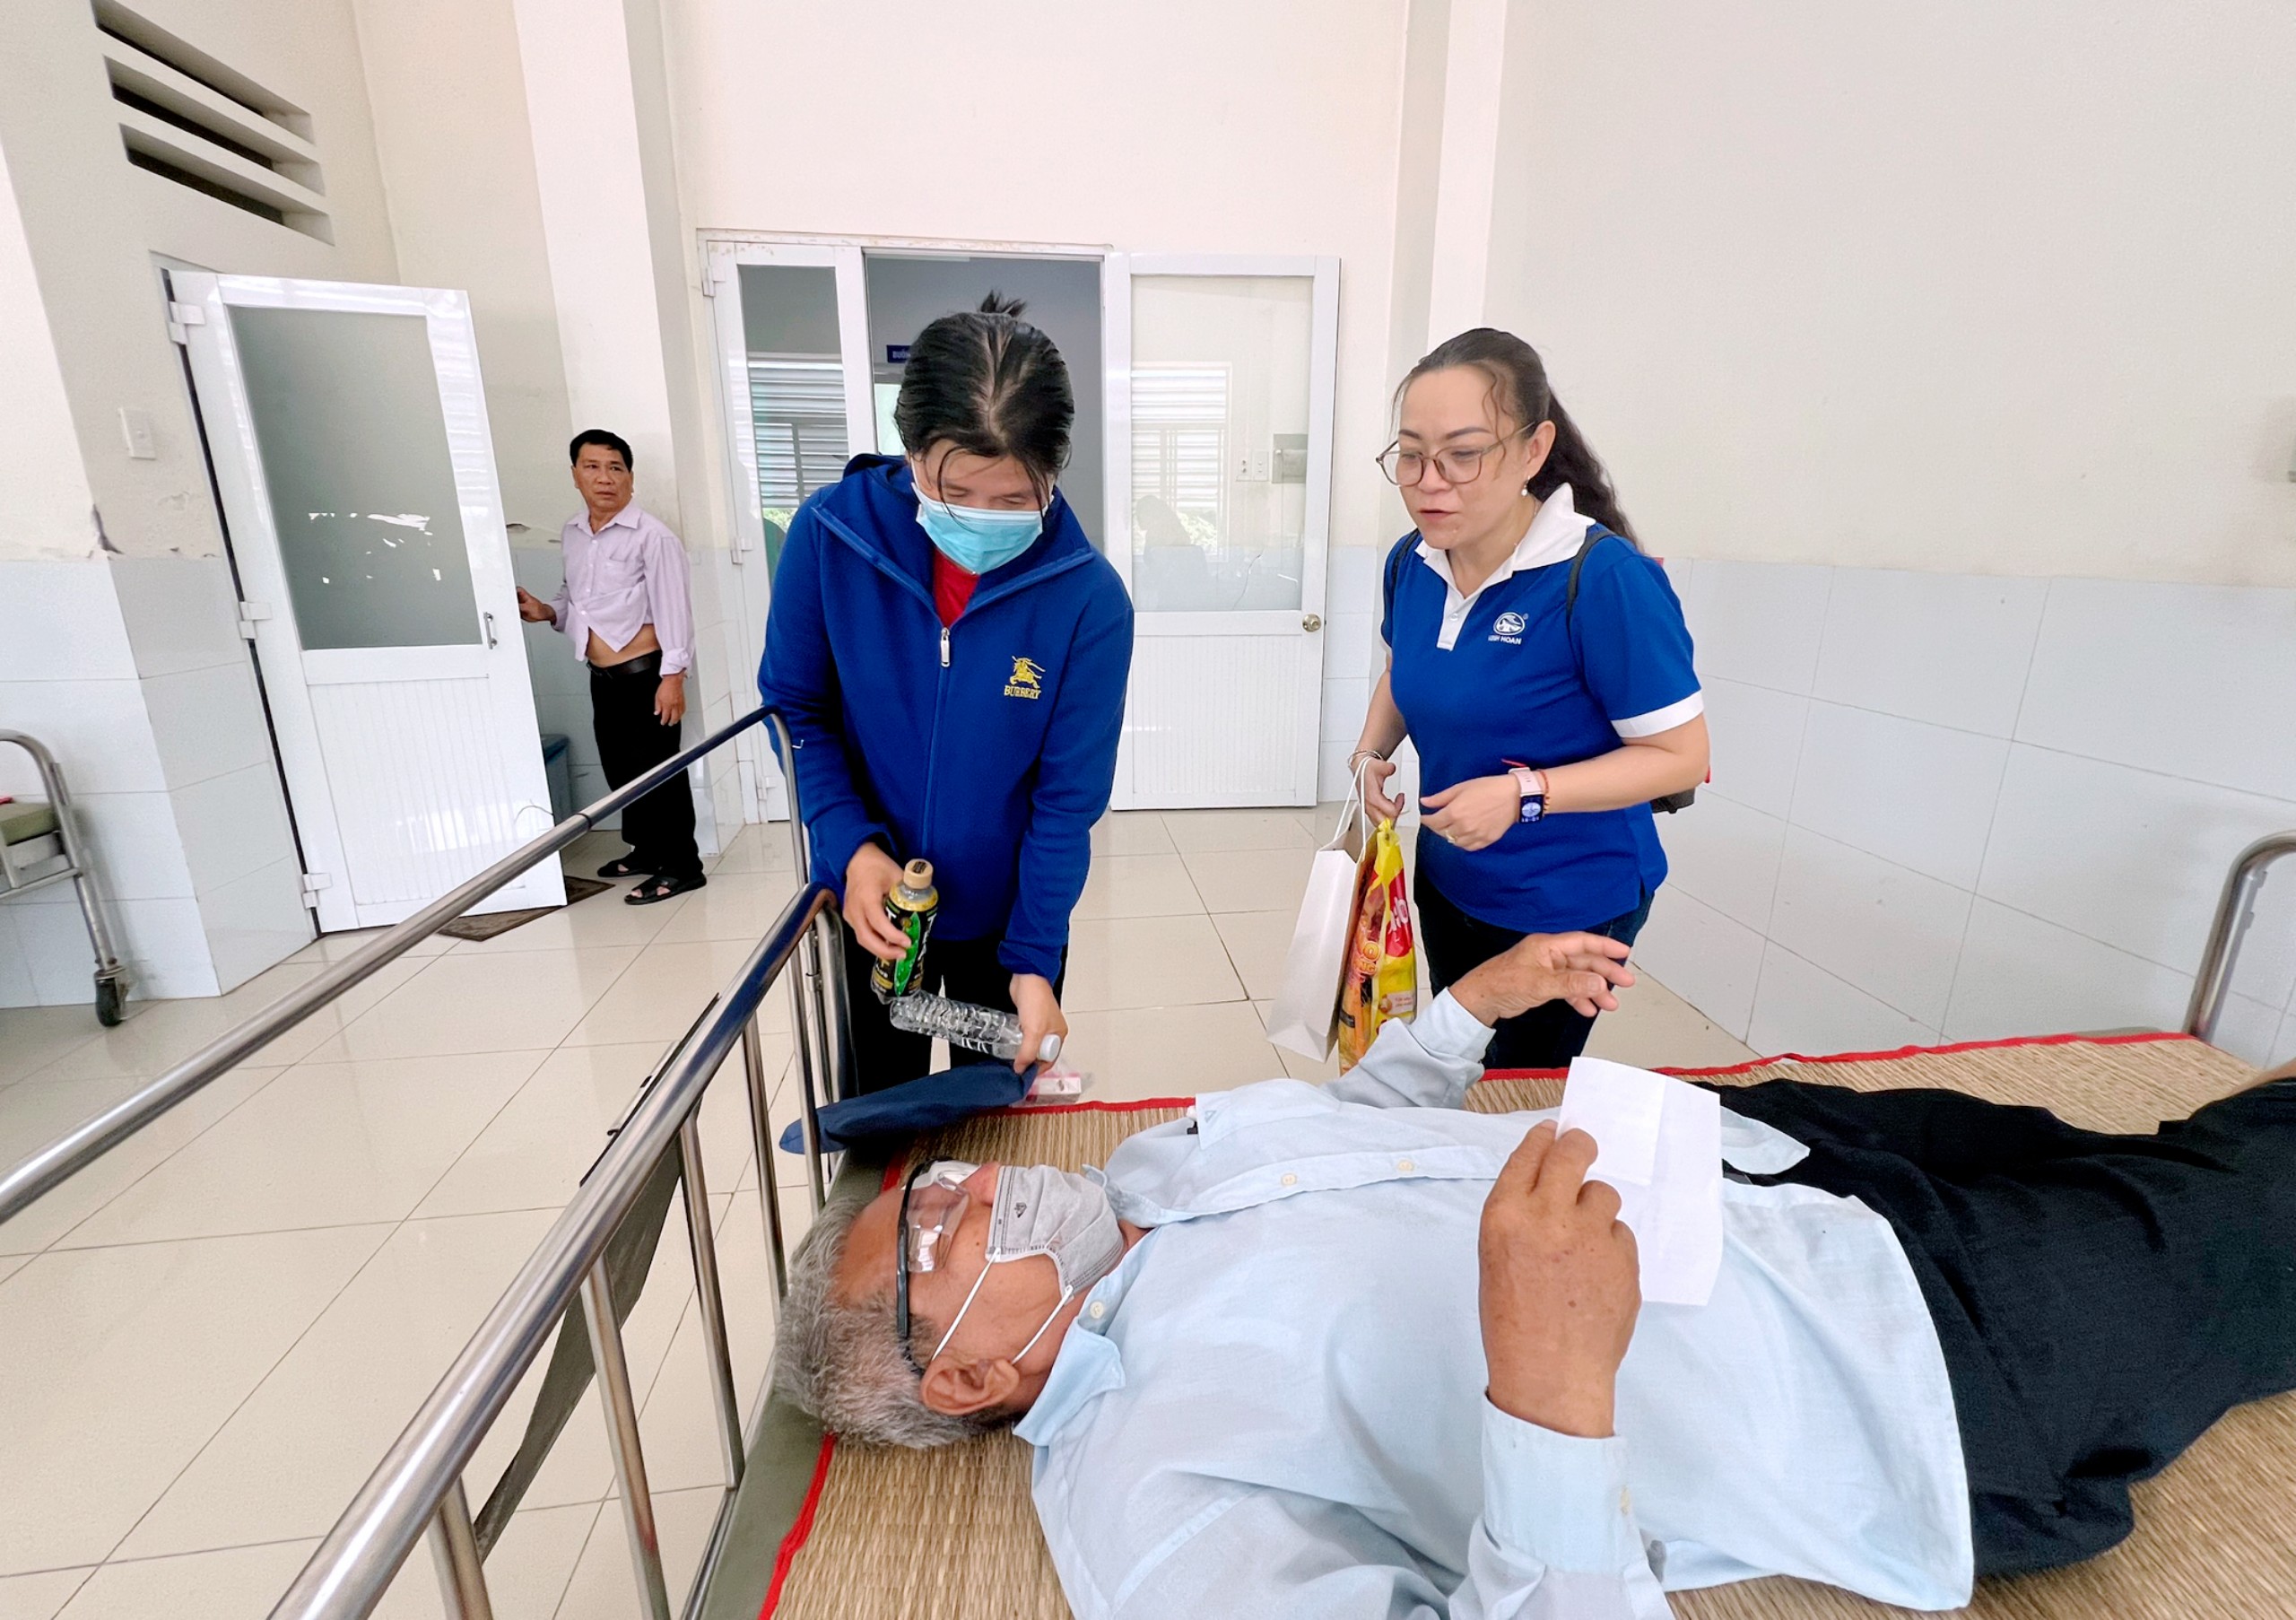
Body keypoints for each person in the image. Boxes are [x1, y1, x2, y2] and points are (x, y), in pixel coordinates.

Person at [773, 936, 2296, 1619]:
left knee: (2140, 1150)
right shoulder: (1151, 1502)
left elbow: (1348, 1127)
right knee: (2245, 1214)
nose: (972, 1182)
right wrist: (1553, 1390)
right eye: (936, 1233)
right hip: (1894, 1356)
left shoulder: (1144, 1176)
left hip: (1762, 1152)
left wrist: (1466, 1013)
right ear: (965, 1376)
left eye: (936, 1180)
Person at [758, 295, 1131, 1090]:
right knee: (876, 1111)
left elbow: (1066, 802)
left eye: (1016, 499)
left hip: (1007, 922)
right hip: (872, 900)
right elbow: (799, 710)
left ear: (1054, 470)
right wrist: (850, 848)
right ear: (911, 451)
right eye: (956, 490)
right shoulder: (830, 538)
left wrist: (1034, 960)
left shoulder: (1088, 599)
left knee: (990, 1119)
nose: (983, 520)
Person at [1350, 330, 1707, 1068]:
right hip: (1451, 875)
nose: (1430, 481)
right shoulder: (1412, 561)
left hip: (1567, 898)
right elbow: (1404, 670)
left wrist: (1525, 794)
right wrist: (1368, 753)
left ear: (1534, 450)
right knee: (1457, 1060)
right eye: (1410, 455)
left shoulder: (1601, 579)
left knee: (1514, 1089)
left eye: (1463, 454)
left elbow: (1680, 758)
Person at [517, 429, 704, 905]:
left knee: (659, 773)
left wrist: (673, 678)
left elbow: (675, 611)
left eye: (616, 468)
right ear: (575, 475)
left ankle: (683, 866)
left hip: (647, 676)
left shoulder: (653, 537)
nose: (605, 478)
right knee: (620, 771)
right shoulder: (573, 533)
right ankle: (647, 850)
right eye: (593, 467)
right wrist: (547, 611)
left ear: (630, 479)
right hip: (603, 677)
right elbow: (575, 598)